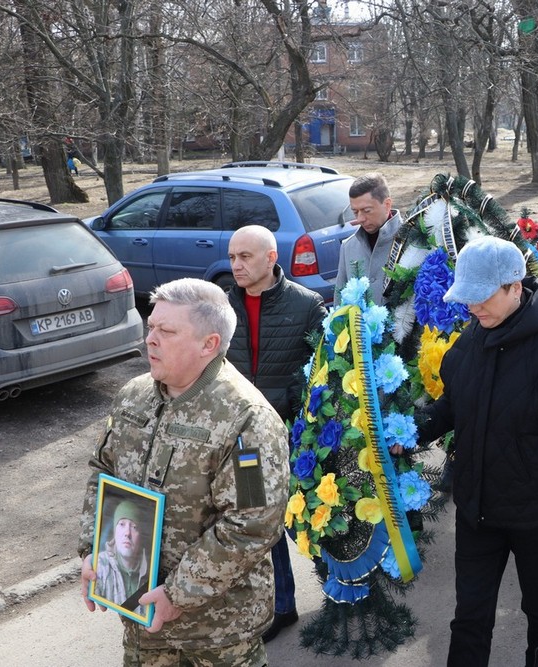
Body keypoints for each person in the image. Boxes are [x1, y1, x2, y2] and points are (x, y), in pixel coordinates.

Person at [412, 236, 538, 667]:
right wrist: (410, 430)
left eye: (480, 298)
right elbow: (452, 405)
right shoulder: (471, 339)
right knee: (470, 618)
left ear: (515, 287)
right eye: (467, 298)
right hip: (477, 509)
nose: (472, 308)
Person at [78, 278, 289, 666]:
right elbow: (102, 471)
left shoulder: (247, 420)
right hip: (141, 615)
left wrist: (177, 595)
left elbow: (252, 524)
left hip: (217, 632)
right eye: (150, 327)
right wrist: (95, 550)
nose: (150, 340)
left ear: (209, 344)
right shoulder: (133, 396)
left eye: (167, 331)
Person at [225, 225, 327, 641]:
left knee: (310, 517)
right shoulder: (222, 307)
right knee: (259, 520)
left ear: (270, 258)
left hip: (293, 438)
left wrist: (294, 407)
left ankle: (342, 591)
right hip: (244, 441)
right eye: (232, 257)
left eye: (245, 257)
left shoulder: (306, 305)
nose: (236, 266)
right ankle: (281, 604)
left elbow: (323, 371)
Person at [335, 172, 402, 305]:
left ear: (387, 205)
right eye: (355, 212)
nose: (360, 219)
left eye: (367, 211)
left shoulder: (412, 241)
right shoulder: (348, 247)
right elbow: (340, 302)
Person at [94, 499, 150, 616]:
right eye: (122, 524)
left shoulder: (152, 570)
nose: (127, 533)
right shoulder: (100, 566)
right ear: (114, 531)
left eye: (134, 527)